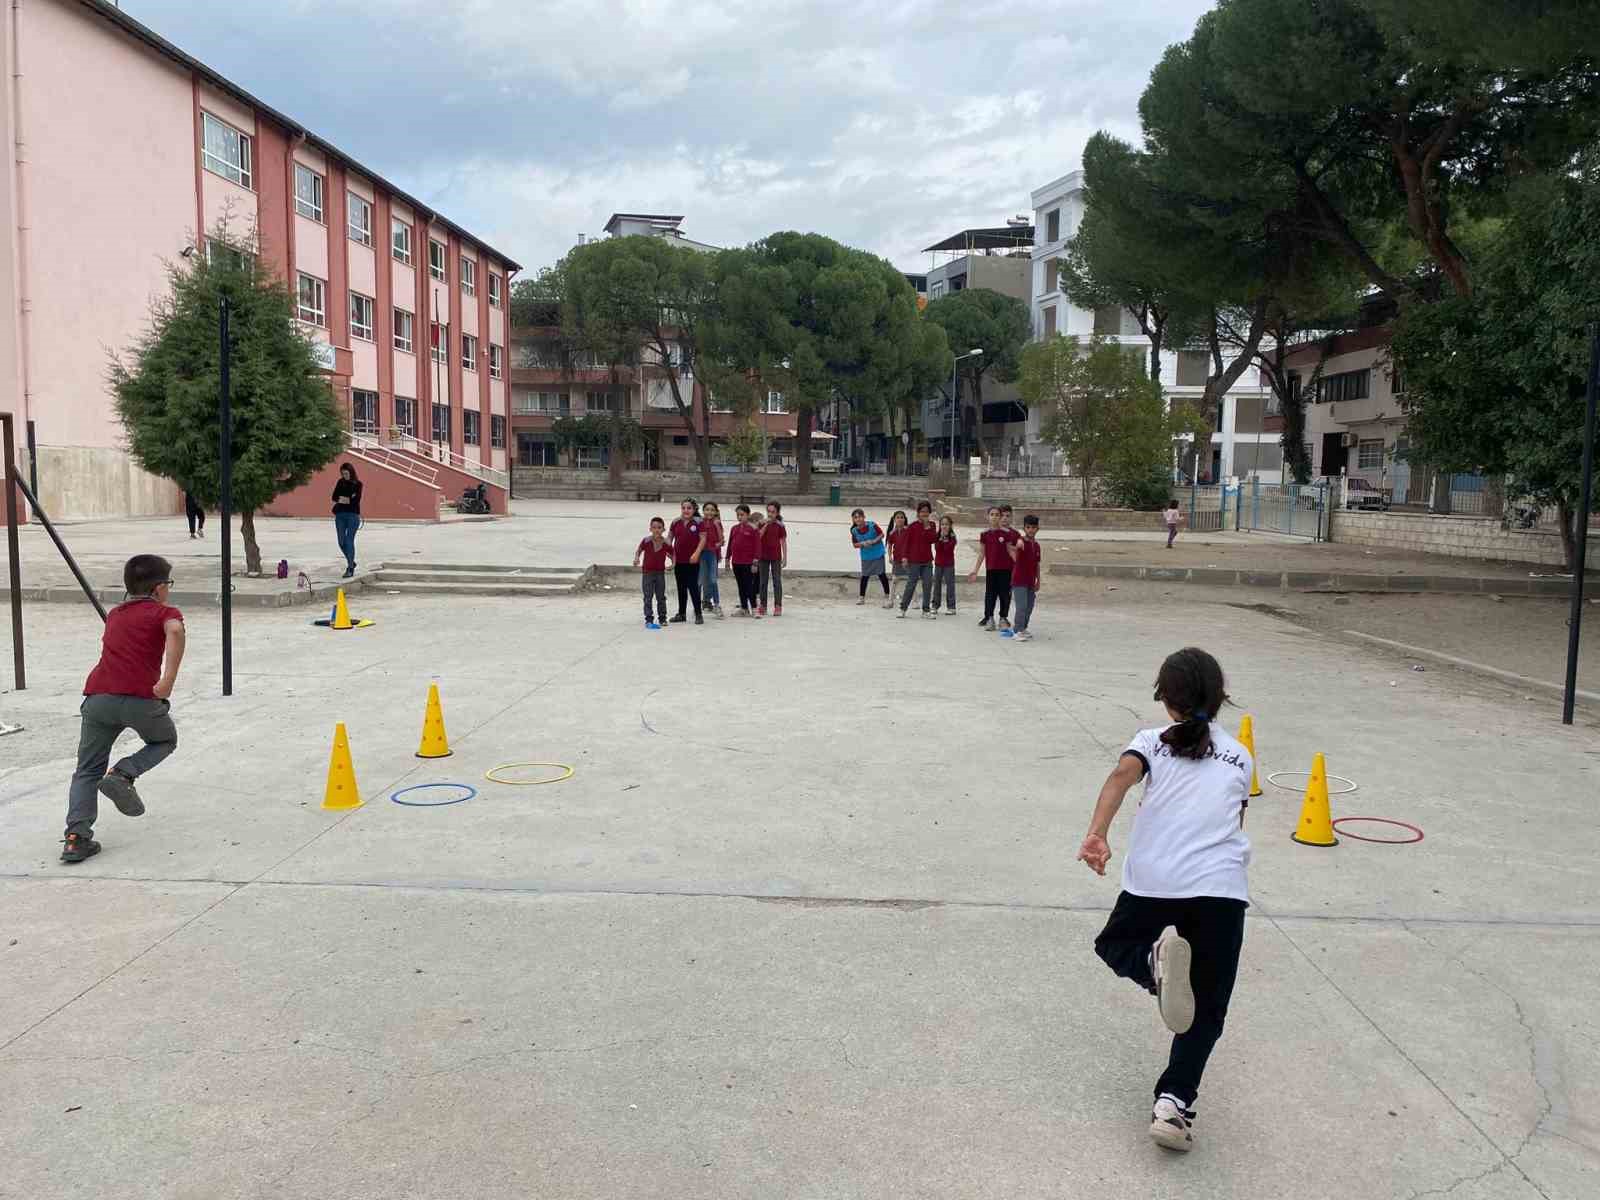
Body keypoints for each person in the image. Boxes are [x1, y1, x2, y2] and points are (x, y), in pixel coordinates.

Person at [1076, 647, 1252, 1154]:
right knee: (1208, 1004)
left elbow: (1119, 778)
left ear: (1165, 698)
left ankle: (1153, 967)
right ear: (1219, 700)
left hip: (1157, 879)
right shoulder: (1240, 753)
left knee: (1115, 944)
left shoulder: (1150, 740)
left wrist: (1097, 834)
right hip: (1221, 888)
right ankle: (1173, 1104)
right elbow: (1233, 819)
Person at [60, 555, 185, 863]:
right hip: (140, 699)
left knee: (87, 769)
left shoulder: (116, 614)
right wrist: (167, 680)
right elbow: (176, 631)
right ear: (158, 588)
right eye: (168, 584)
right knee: (164, 740)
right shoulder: (164, 612)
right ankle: (123, 773)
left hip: (98, 698)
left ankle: (76, 839)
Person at [968, 506, 1020, 631]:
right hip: (991, 569)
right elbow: (982, 553)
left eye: (997, 514)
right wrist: (975, 570)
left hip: (1005, 569)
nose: (995, 517)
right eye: (992, 514)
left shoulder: (1006, 534)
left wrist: (1019, 565)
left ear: (1000, 517)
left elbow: (1010, 550)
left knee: (1004, 595)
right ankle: (989, 618)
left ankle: (1003, 618)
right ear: (988, 516)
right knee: (990, 595)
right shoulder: (984, 534)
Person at [668, 498, 707, 625]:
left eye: (689, 508)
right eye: (683, 508)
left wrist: (696, 554)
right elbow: (669, 539)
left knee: (693, 587)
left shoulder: (699, 522)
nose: (686, 510)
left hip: (692, 561)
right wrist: (668, 552)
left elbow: (703, 539)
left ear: (694, 509)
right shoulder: (675, 522)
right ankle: (681, 614)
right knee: (681, 587)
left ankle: (698, 614)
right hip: (678, 560)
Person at [897, 501, 938, 619]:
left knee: (928, 585)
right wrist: (904, 557)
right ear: (918, 513)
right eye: (922, 512)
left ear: (929, 513)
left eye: (926, 511)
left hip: (927, 561)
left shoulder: (932, 525)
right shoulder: (912, 526)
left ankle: (926, 610)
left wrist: (927, 527)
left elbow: (933, 540)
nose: (924, 514)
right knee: (911, 584)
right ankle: (903, 608)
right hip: (914, 561)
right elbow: (906, 543)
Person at [1007, 514, 1043, 641]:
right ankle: (1016, 631)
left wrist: (1038, 580)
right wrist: (1018, 543)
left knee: (1029, 606)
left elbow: (1037, 564)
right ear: (1024, 528)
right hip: (1019, 580)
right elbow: (1013, 545)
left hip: (1030, 581)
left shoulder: (1037, 546)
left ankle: (1023, 628)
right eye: (1028, 527)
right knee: (1021, 606)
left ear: (1037, 528)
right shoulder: (1021, 541)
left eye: (1033, 527)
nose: (1031, 530)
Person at [633, 517, 672, 629]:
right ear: (650, 528)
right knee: (648, 596)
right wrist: (636, 558)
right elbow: (639, 550)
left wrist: (673, 564)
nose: (656, 530)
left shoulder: (665, 543)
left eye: (659, 528)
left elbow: (672, 554)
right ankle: (649, 619)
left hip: (660, 573)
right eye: (654, 527)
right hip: (647, 573)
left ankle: (662, 618)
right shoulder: (646, 541)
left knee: (661, 596)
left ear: (663, 529)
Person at [727, 504, 762, 617]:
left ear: (748, 515)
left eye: (742, 515)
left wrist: (755, 562)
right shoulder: (734, 529)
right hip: (736, 562)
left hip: (748, 563)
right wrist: (727, 558)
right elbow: (730, 544)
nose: (740, 517)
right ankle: (744, 608)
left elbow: (757, 546)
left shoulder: (753, 529)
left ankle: (754, 608)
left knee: (749, 586)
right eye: (738, 515)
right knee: (741, 586)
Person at [849, 508, 889, 605]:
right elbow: (855, 544)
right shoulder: (854, 531)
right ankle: (862, 598)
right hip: (866, 556)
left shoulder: (872, 525)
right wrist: (862, 543)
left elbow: (882, 534)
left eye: (860, 517)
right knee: (865, 576)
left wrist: (874, 541)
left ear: (864, 517)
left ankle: (888, 596)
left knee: (881, 575)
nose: (858, 519)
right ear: (853, 520)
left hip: (878, 553)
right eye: (855, 518)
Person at [331, 463, 363, 579]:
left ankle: (350, 568)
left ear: (351, 472)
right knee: (341, 541)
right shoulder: (340, 482)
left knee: (349, 541)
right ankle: (352, 561)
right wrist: (348, 498)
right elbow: (334, 497)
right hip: (340, 515)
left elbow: (356, 501)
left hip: (353, 515)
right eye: (342, 473)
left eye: (346, 473)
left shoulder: (358, 484)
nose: (344, 475)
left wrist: (344, 499)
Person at [757, 501, 787, 617]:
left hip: (776, 557)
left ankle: (778, 606)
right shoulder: (761, 523)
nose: (770, 514)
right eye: (768, 511)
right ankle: (763, 606)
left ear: (777, 513)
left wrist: (785, 558)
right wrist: (765, 524)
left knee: (777, 581)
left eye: (773, 512)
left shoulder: (780, 525)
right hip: (763, 556)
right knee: (763, 582)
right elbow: (758, 536)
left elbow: (783, 541)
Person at [700, 501, 725, 618]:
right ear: (703, 511)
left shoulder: (716, 523)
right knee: (700, 581)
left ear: (715, 512)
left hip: (711, 554)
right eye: (707, 509)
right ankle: (701, 603)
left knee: (713, 580)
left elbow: (721, 540)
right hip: (701, 554)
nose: (709, 512)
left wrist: (716, 546)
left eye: (711, 510)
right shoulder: (700, 522)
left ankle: (717, 605)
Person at [932, 515, 959, 616]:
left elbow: (948, 549)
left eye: (946, 524)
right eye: (942, 524)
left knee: (950, 585)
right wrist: (941, 538)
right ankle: (935, 605)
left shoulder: (953, 537)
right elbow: (937, 548)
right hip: (938, 564)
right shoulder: (937, 535)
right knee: (937, 585)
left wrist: (945, 539)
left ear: (950, 525)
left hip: (949, 565)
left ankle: (951, 607)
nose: (944, 526)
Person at [885, 510, 909, 609]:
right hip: (897, 559)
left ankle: (915, 601)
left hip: (907, 560)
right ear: (894, 519)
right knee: (894, 580)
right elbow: (890, 545)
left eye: (902, 517)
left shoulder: (908, 530)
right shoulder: (892, 533)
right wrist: (890, 556)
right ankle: (890, 601)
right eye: (898, 517)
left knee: (911, 580)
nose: (900, 519)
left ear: (905, 519)